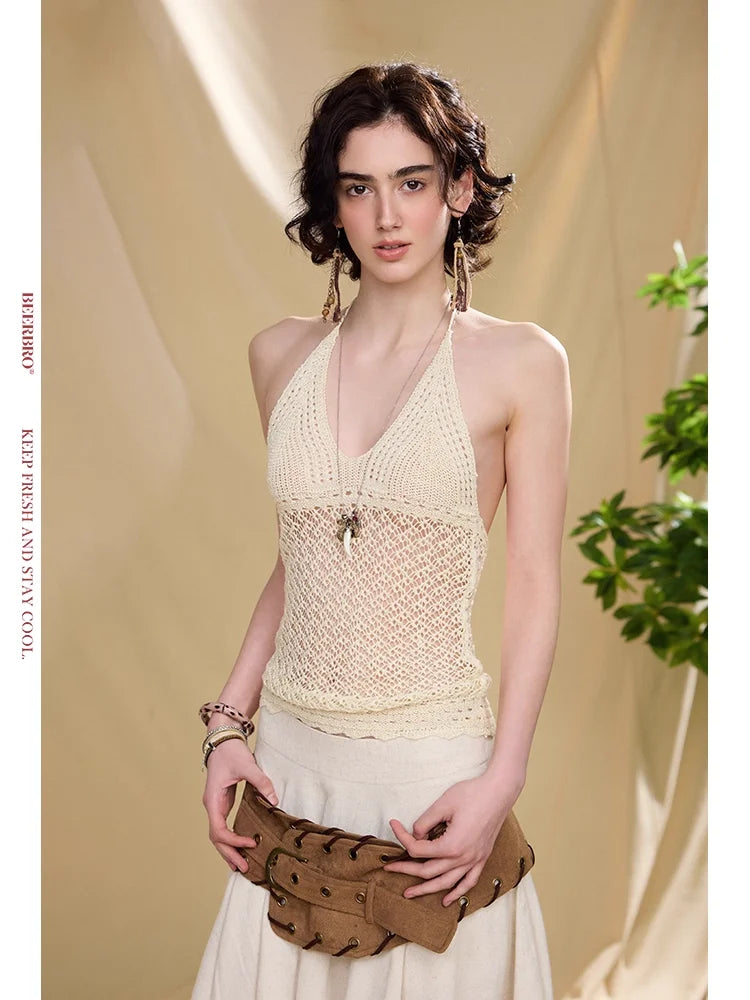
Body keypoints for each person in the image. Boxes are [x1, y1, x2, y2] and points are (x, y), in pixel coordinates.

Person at [191, 61, 571, 1000]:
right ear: (334, 203)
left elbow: (533, 585)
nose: (388, 216)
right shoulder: (278, 355)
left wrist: (503, 779)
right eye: (359, 187)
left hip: (430, 777)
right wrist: (227, 726)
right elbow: (305, 556)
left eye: (412, 182)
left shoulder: (521, 363)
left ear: (459, 189)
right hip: (288, 771)